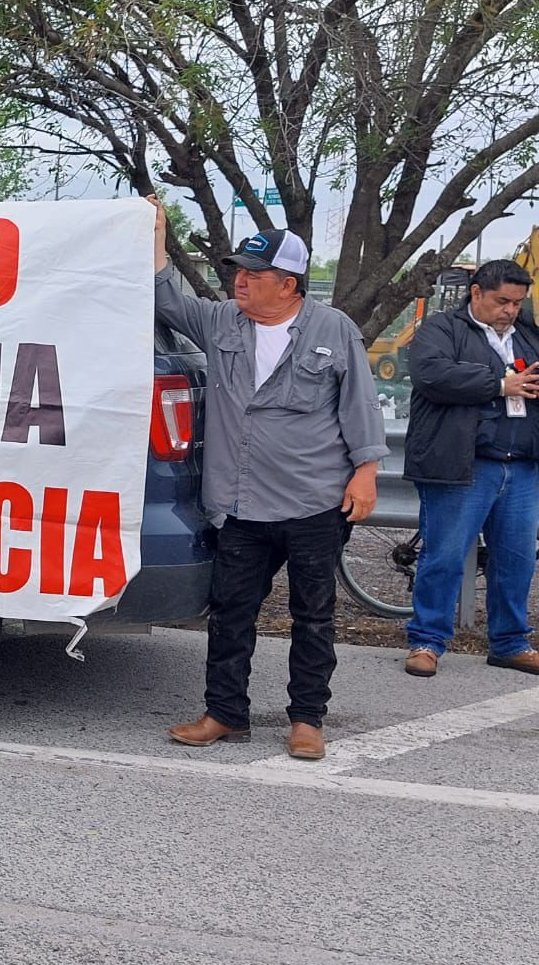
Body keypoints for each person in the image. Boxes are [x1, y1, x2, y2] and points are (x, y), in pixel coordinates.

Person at [151, 197, 388, 760]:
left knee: (313, 615)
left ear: (289, 284)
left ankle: (307, 719)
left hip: (312, 501)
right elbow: (164, 298)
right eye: (239, 271)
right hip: (240, 504)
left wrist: (367, 473)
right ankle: (224, 713)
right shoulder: (221, 322)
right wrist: (157, 234)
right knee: (231, 612)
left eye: (255, 275)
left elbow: (361, 407)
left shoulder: (334, 331)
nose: (241, 282)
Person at [400, 259, 539, 677]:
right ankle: (427, 640)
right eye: (502, 301)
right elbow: (430, 374)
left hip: (521, 466)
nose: (510, 310)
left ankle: (510, 642)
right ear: (476, 292)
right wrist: (500, 384)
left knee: (516, 560)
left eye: (517, 302)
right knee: (444, 555)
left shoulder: (529, 335)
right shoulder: (442, 328)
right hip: (461, 463)